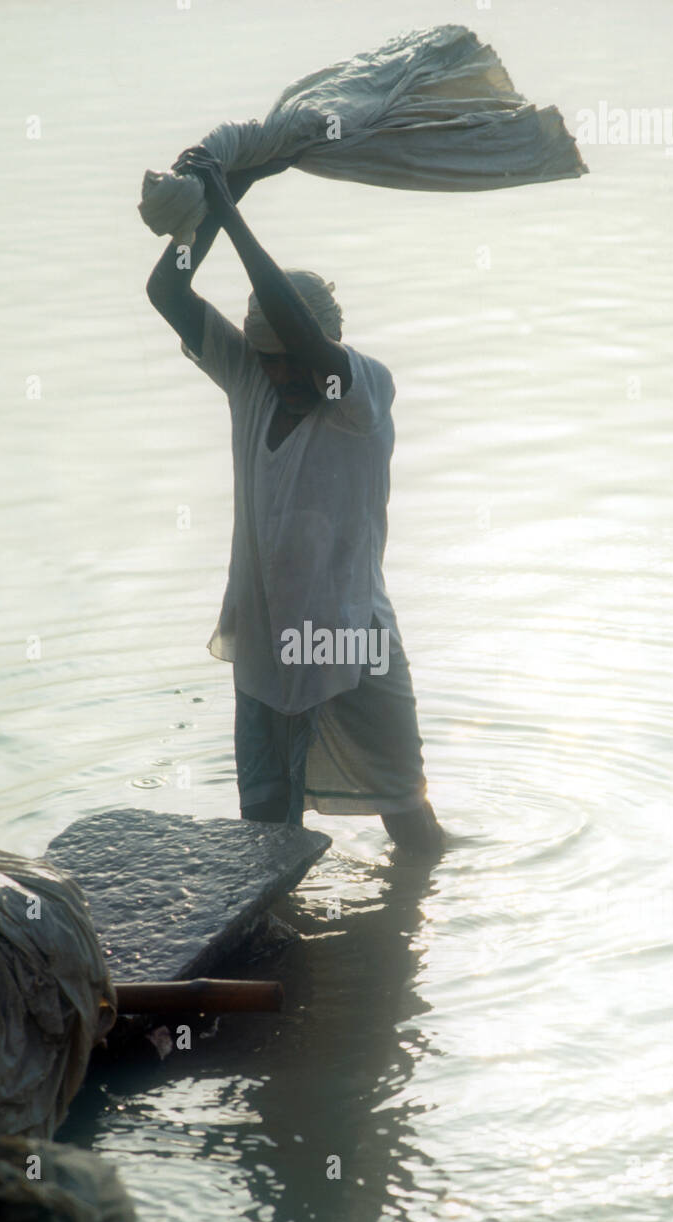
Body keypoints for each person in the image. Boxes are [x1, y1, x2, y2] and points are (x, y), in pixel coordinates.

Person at [146, 147, 444, 856]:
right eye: (267, 357)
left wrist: (234, 218)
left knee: (409, 819)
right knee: (266, 836)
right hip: (267, 644)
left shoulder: (356, 394)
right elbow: (168, 294)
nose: (280, 374)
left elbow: (301, 336)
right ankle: (279, 950)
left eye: (291, 359)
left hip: (350, 639)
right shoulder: (251, 379)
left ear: (325, 348)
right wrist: (222, 202)